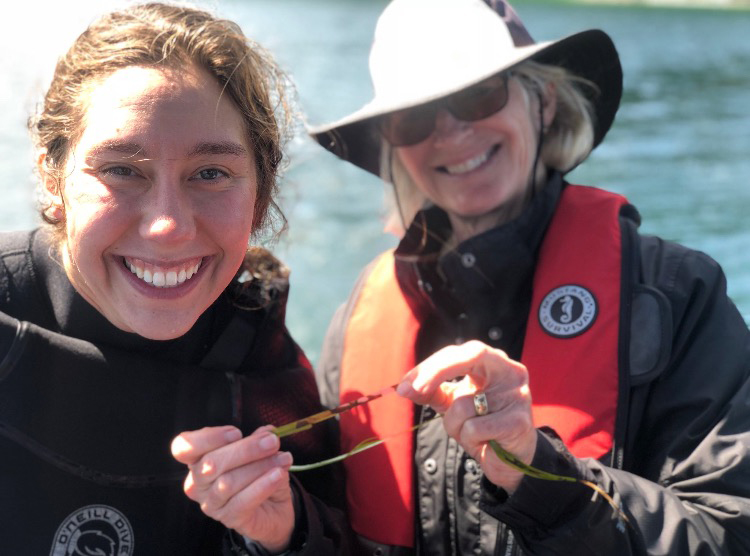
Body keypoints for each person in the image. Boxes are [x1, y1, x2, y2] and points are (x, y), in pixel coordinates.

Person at [308, 0, 750, 554]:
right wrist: (287, 533)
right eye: (414, 117)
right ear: (394, 145)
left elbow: (731, 533)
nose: (450, 132)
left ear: (543, 101)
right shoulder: (357, 319)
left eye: (477, 94)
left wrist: (544, 479)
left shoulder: (678, 295)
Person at [0, 3, 352, 555]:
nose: (167, 226)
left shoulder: (265, 361)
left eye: (210, 173)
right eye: (121, 169)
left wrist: (282, 537)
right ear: (52, 177)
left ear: (258, 194)